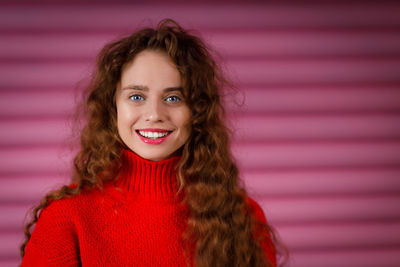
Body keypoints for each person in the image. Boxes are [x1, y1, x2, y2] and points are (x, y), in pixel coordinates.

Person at [20, 19, 279, 267]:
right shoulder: (66, 218)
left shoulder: (244, 216)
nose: (154, 114)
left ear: (197, 110)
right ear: (113, 107)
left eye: (174, 98)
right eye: (136, 96)